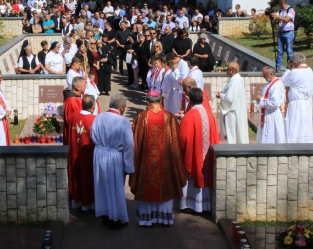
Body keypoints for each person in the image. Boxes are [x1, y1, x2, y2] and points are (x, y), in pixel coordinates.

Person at [130, 91, 186, 226]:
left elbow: (135, 142)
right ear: (161, 101)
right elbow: (176, 141)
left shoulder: (142, 117)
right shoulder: (170, 117)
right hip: (165, 161)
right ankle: (163, 218)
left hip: (146, 163)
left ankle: (146, 219)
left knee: (147, 183)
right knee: (164, 184)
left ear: (147, 102)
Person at [91, 93, 134, 229]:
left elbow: (92, 135)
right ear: (121, 107)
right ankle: (115, 217)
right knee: (115, 187)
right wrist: (129, 165)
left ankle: (105, 216)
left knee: (102, 185)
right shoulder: (123, 122)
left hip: (99, 154)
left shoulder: (99, 117)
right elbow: (129, 145)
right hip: (115, 157)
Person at [179, 88, 220, 213]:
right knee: (205, 174)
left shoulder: (189, 116)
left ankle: (191, 205)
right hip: (208, 155)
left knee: (192, 175)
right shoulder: (209, 114)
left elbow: (182, 138)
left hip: (194, 155)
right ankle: (205, 206)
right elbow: (216, 135)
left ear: (189, 100)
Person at [67, 95, 96, 211]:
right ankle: (89, 205)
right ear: (93, 107)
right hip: (88, 155)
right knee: (87, 177)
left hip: (74, 152)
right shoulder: (94, 120)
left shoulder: (73, 117)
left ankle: (76, 201)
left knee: (77, 175)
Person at [281, 53, 313, 143]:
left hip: (296, 103)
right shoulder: (309, 70)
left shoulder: (294, 72)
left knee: (295, 124)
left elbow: (284, 81)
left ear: (295, 62)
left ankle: (294, 142)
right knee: (304, 124)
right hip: (306, 103)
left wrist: (288, 68)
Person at [213, 62, 248, 143]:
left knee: (233, 134)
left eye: (228, 69)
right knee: (237, 133)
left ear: (232, 71)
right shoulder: (236, 80)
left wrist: (220, 96)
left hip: (232, 112)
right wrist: (223, 93)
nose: (226, 71)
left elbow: (229, 99)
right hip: (236, 110)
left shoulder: (235, 81)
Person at [256, 66, 285, 144]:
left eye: (264, 75)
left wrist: (261, 100)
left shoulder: (276, 86)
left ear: (271, 74)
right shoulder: (269, 84)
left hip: (272, 115)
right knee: (265, 137)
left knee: (271, 137)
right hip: (267, 114)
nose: (263, 77)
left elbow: (274, 103)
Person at [271, 0, 295, 70]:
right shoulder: (280, 11)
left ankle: (289, 67)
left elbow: (286, 20)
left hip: (289, 33)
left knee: (289, 51)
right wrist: (272, 15)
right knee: (279, 51)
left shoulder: (291, 10)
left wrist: (277, 16)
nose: (279, 5)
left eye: (279, 3)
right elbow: (275, 17)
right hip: (280, 33)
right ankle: (278, 67)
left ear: (282, 3)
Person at [63, 77, 86, 142]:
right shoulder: (71, 101)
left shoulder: (77, 98)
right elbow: (71, 120)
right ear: (77, 87)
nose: (85, 87)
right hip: (74, 134)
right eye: (84, 85)